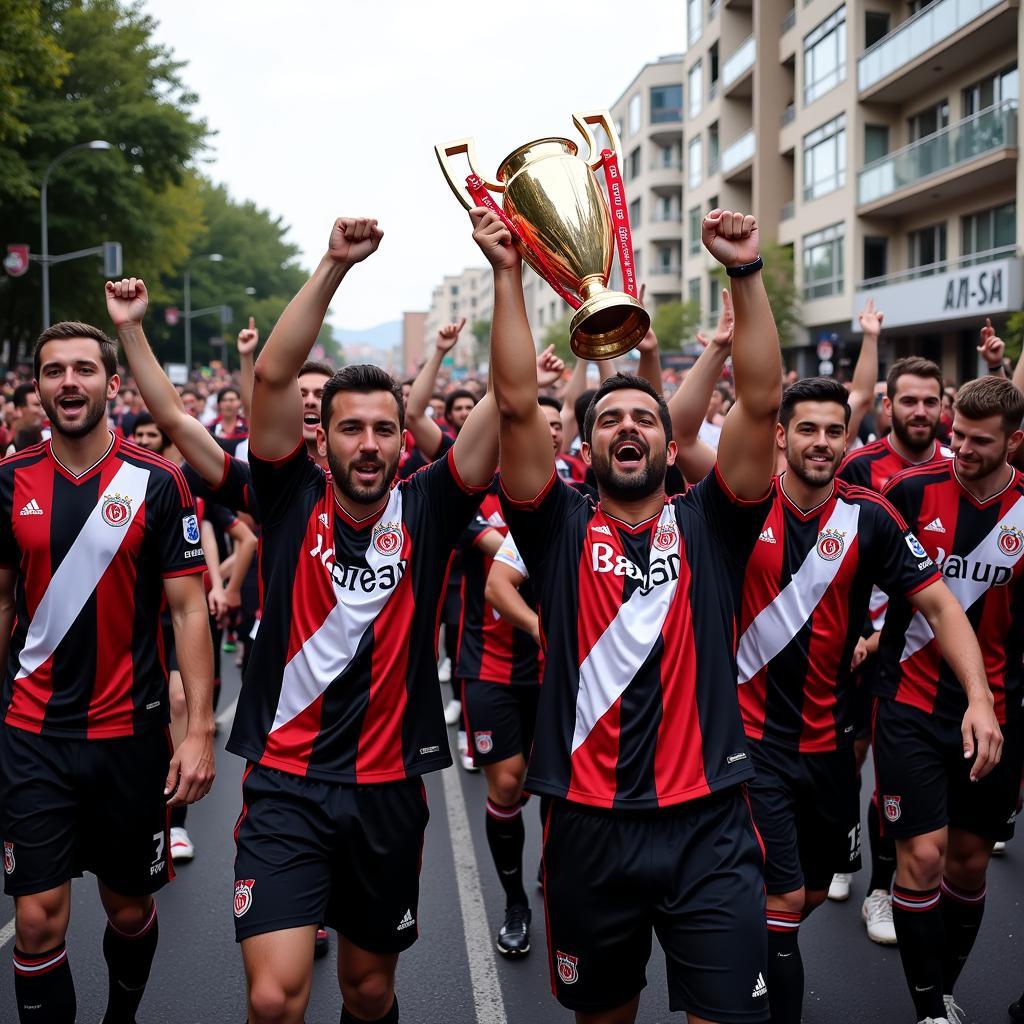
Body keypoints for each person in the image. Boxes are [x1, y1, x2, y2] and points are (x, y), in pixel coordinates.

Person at [488, 205, 781, 1024]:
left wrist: (745, 272)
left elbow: (760, 403)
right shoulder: (556, 528)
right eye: (610, 418)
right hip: (588, 828)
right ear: (584, 448)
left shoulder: (714, 523)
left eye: (645, 417)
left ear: (669, 441)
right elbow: (516, 407)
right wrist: (508, 276)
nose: (628, 426)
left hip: (709, 827)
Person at [227, 216, 498, 1024]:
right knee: (275, 997)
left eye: (385, 427)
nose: (370, 442)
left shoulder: (433, 505)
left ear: (401, 437)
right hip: (286, 786)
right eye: (351, 427)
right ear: (324, 438)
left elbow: (512, 404)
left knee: (369, 990)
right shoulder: (287, 494)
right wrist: (333, 264)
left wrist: (517, 276)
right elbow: (274, 376)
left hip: (386, 792)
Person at [733, 377, 993, 1024]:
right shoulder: (739, 504)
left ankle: (754, 937)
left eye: (832, 431)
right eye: (807, 430)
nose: (820, 443)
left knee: (815, 891)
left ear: (848, 438)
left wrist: (979, 697)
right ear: (780, 435)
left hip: (830, 743)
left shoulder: (871, 517)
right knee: (787, 899)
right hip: (749, 742)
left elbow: (939, 604)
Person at [0, 312, 216, 1024]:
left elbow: (189, 613)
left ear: (111, 383)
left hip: (130, 738)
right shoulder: (9, 482)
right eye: (55, 371)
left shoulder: (157, 483)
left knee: (128, 913)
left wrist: (198, 734)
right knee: (36, 921)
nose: (69, 382)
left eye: (84, 369)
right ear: (37, 389)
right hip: (32, 737)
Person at [875, 375, 1020, 1024]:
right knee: (924, 854)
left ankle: (947, 984)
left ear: (1014, 442)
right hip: (909, 700)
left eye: (977, 441)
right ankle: (928, 1007)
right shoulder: (909, 492)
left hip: (998, 711)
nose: (957, 448)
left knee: (965, 865)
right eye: (954, 433)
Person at [837, 352, 953, 942]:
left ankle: (881, 889)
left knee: (889, 776)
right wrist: (860, 631)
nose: (920, 411)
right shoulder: (859, 466)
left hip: (915, 651)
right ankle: (843, 847)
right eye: (909, 400)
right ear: (889, 406)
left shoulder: (958, 470)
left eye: (931, 401)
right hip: (856, 640)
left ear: (945, 409)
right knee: (850, 756)